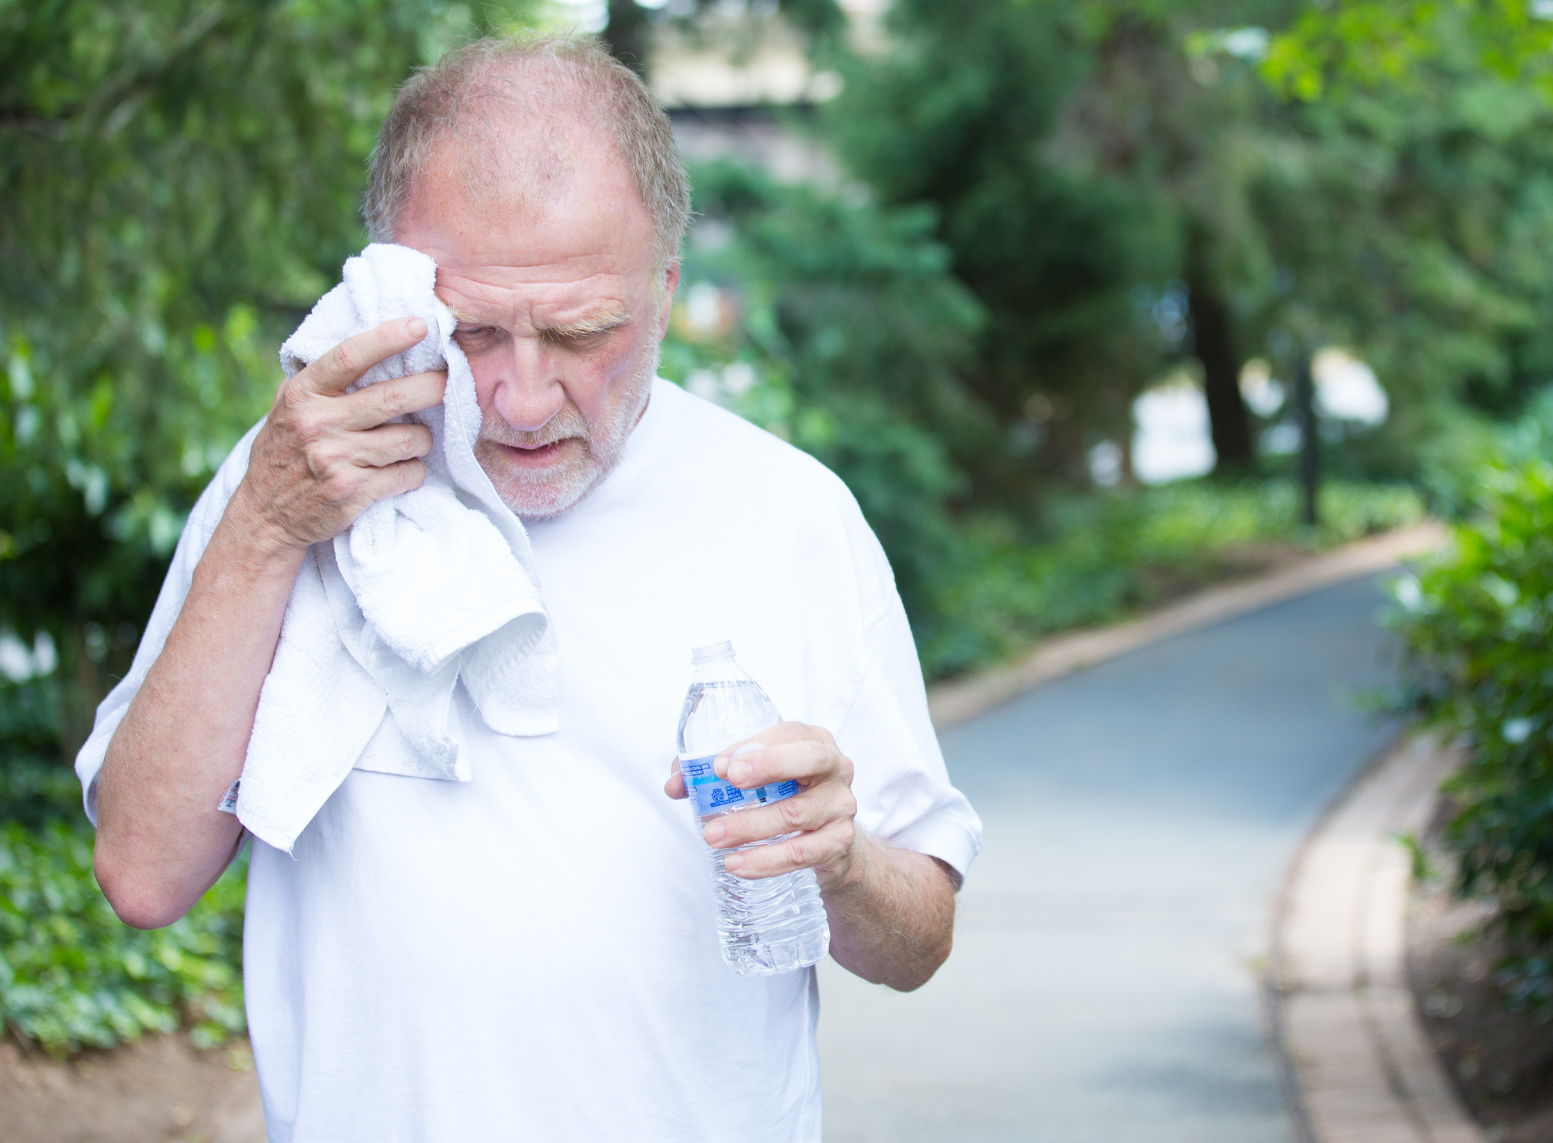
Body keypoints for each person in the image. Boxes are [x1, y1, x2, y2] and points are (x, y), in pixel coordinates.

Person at [75, 32, 979, 1142]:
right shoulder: (295, 481)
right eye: (472, 333)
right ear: (390, 286)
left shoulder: (787, 514)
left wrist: (839, 859)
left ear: (663, 289)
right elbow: (142, 874)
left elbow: (917, 941)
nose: (518, 395)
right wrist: (266, 526)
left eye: (580, 331)